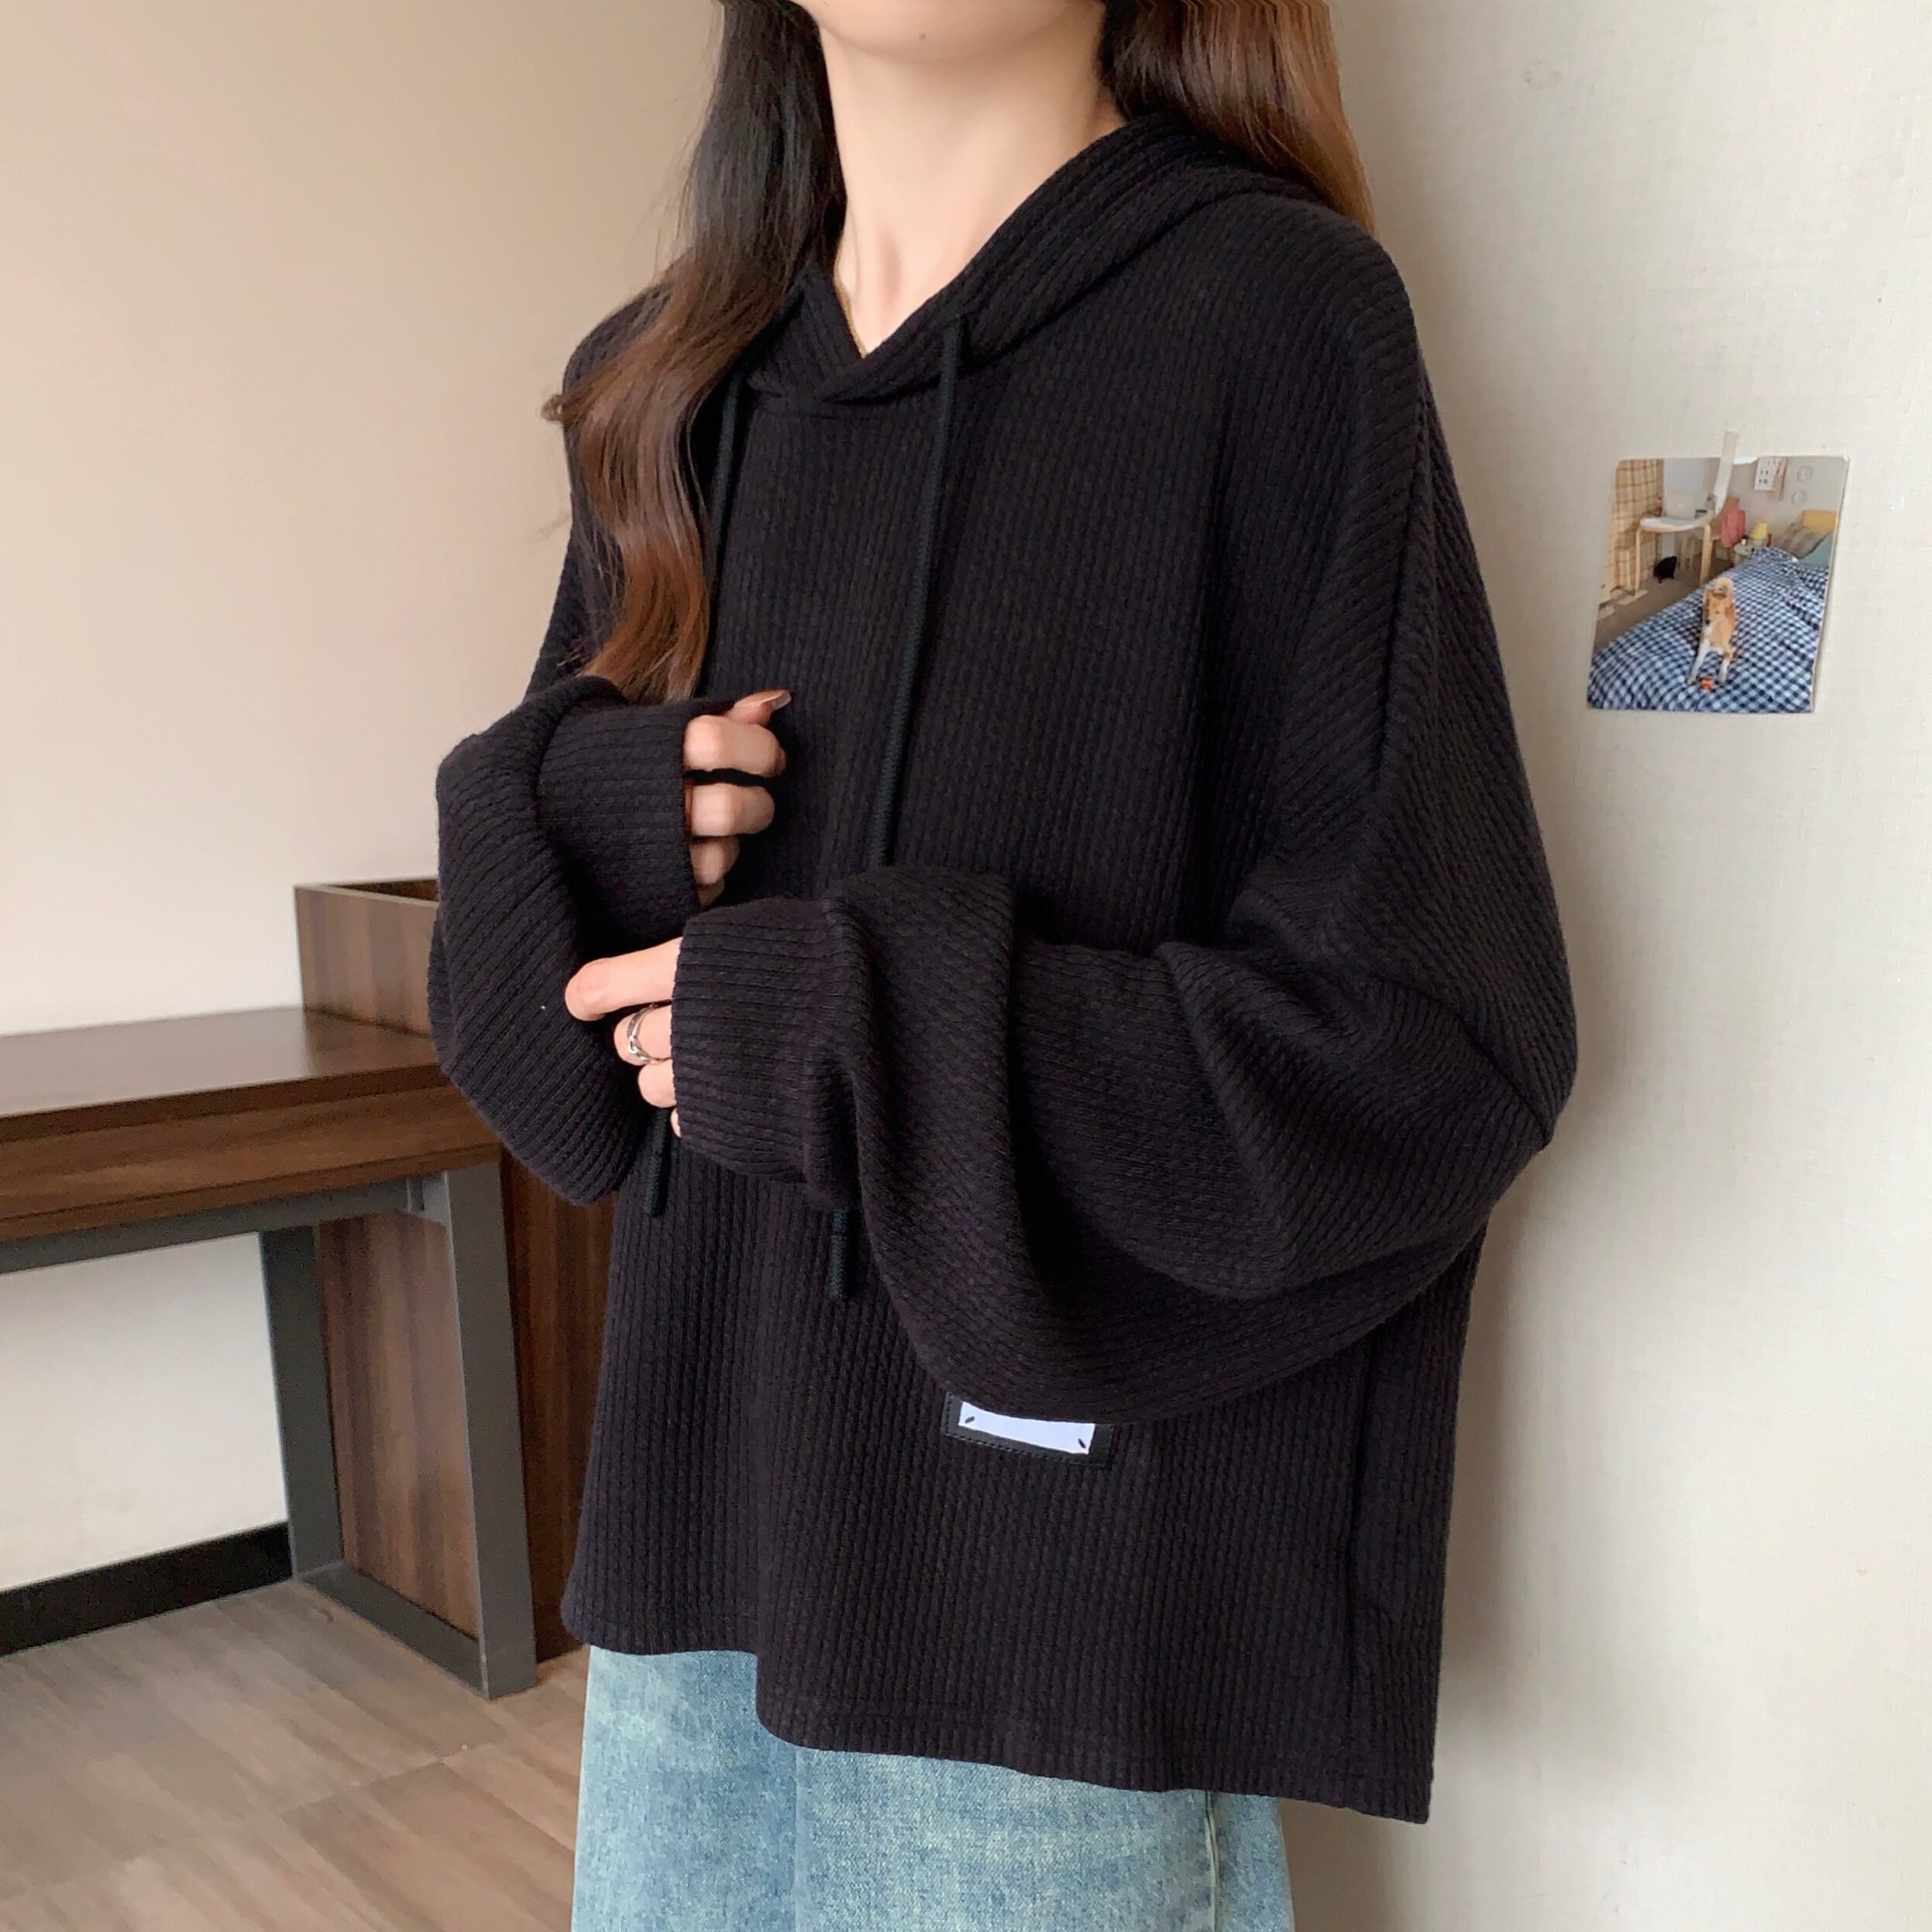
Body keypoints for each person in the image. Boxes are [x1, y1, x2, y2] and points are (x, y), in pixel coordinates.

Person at [426, 0, 1579, 1924]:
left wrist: (857, 1023)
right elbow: (536, 1066)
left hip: (1049, 1617)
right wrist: (585, 812)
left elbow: (1431, 1048)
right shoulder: (661, 377)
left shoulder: (1273, 321)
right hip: (692, 1571)